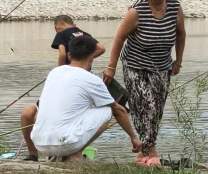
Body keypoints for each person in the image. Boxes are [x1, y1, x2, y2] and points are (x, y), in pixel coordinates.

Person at [103, 0, 185, 168]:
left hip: (161, 66)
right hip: (135, 65)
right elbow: (119, 38)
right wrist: (111, 67)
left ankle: (141, 152)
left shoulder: (174, 7)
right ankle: (151, 149)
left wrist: (178, 61)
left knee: (156, 109)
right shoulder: (137, 10)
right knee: (143, 105)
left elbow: (181, 34)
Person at [21, 31, 142, 162]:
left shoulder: (54, 72)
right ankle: (75, 154)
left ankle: (35, 154)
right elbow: (119, 111)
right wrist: (133, 137)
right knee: (108, 109)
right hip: (66, 144)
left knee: (31, 109)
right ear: (91, 57)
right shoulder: (92, 80)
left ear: (68, 55)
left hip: (40, 144)